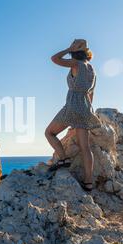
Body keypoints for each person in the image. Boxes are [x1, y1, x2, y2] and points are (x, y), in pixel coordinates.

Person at [45, 39, 101, 191]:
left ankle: (63, 159)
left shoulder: (76, 64)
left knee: (49, 133)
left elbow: (54, 59)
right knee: (85, 147)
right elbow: (91, 93)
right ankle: (88, 182)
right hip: (85, 107)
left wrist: (67, 48)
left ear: (74, 51)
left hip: (72, 105)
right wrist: (88, 111)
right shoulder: (91, 69)